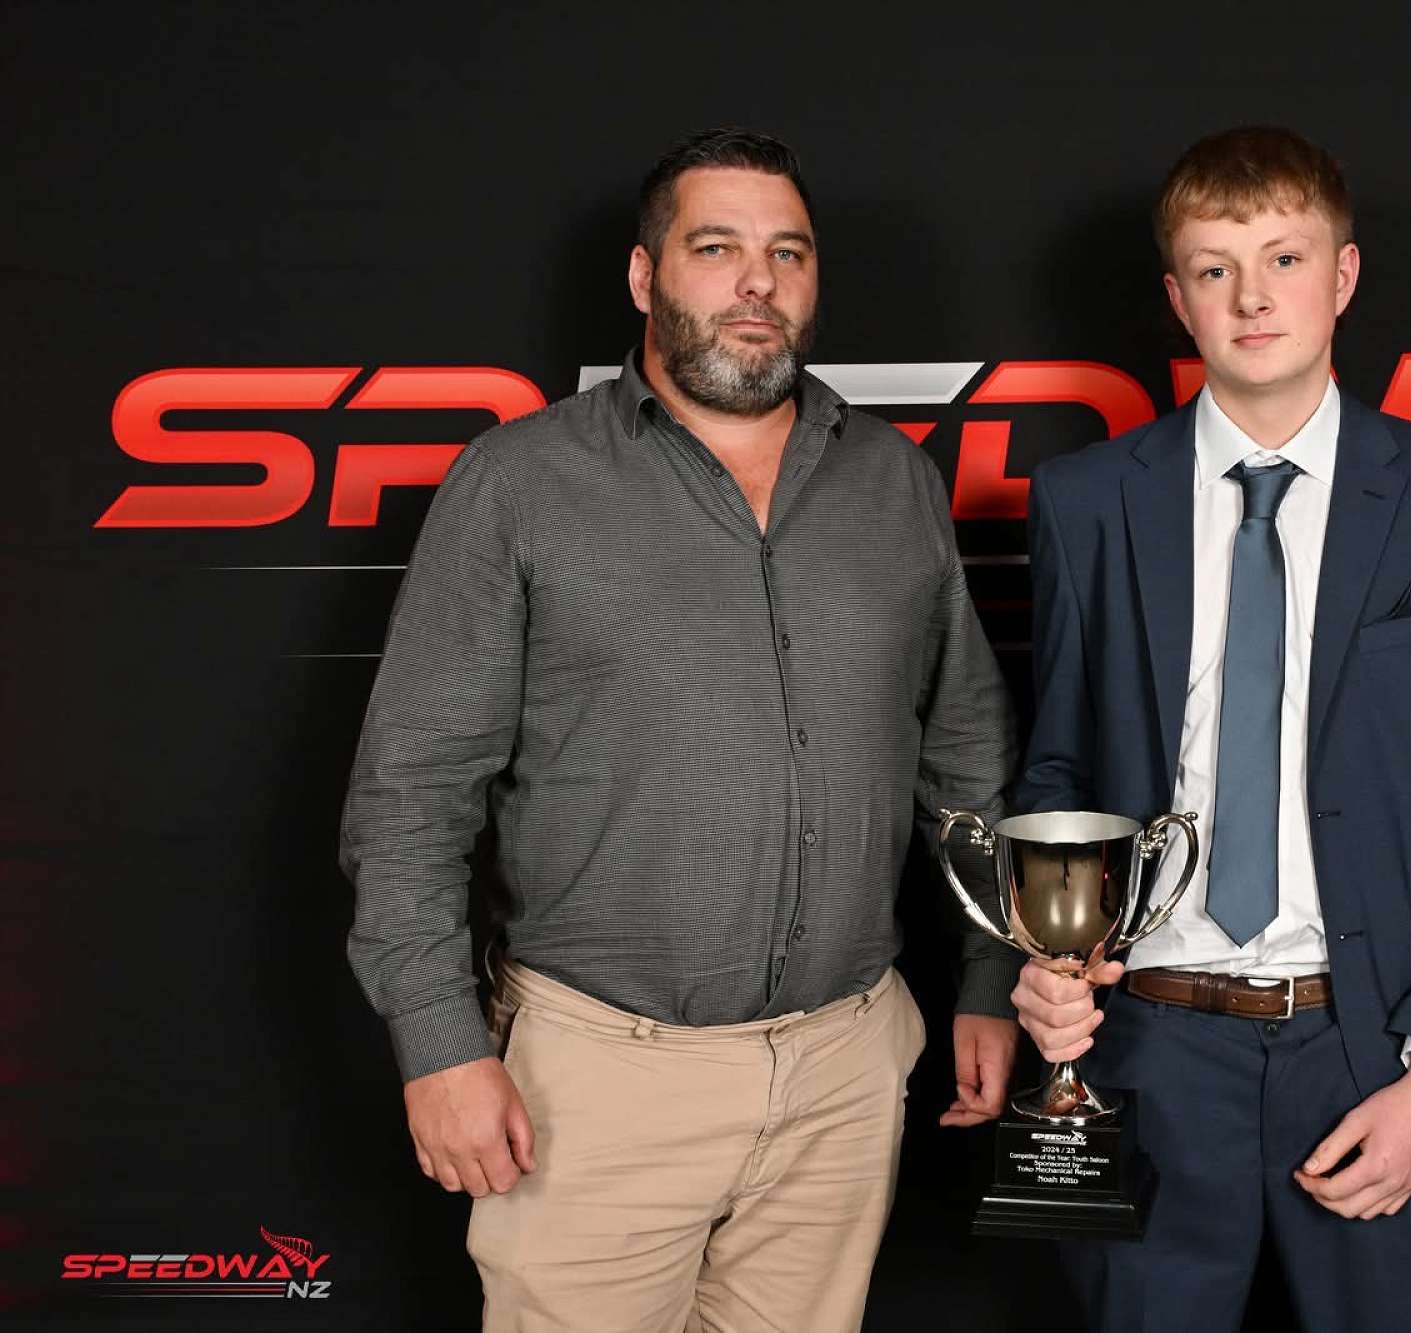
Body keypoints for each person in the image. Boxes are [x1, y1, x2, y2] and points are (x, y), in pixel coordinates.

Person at [340, 126, 1019, 1333]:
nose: (757, 282)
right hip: (596, 1082)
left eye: (787, 253)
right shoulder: (519, 483)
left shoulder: (894, 482)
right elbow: (413, 791)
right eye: (716, 249)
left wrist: (989, 973)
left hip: (844, 1071)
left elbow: (962, 753)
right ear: (645, 275)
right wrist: (439, 1044)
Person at [1009, 125, 1411, 1332]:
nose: (1251, 298)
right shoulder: (1086, 501)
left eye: (1283, 259)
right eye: (1214, 268)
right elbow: (1058, 770)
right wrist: (1049, 964)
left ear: (1341, 276)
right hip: (1146, 1042)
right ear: (1177, 298)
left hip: (1363, 1044)